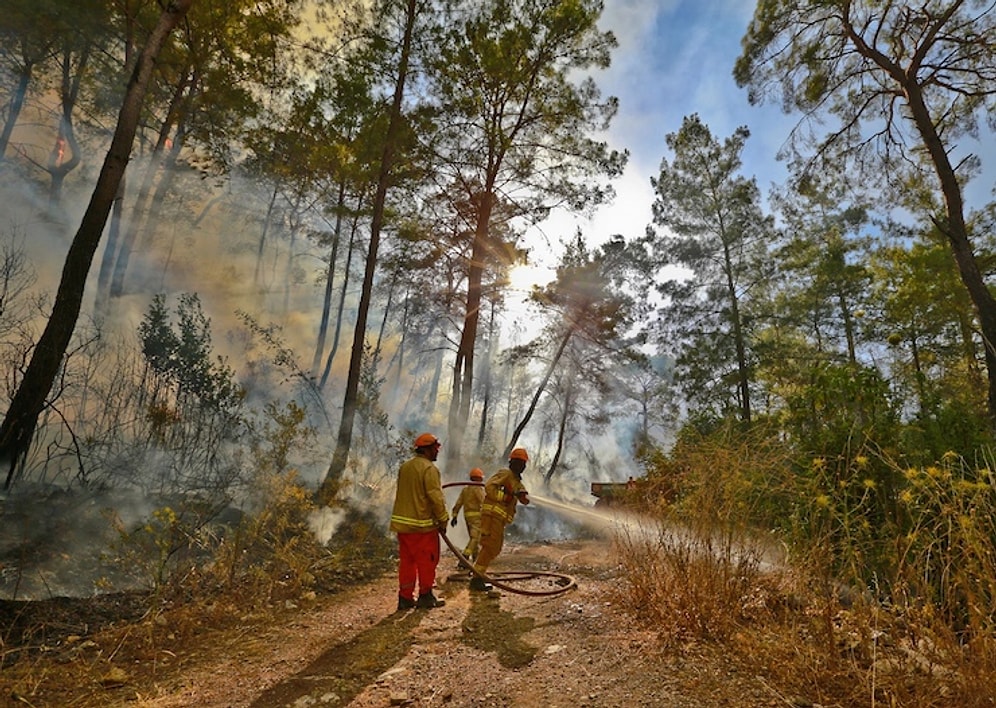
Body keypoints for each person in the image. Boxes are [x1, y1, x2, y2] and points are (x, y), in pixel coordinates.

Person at [390, 433, 449, 610]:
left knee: (407, 562)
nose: (437, 452)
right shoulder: (429, 469)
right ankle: (425, 596)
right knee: (427, 561)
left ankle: (405, 598)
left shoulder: (405, 467)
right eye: (435, 448)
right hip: (422, 527)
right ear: (427, 449)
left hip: (403, 527)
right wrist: (443, 519)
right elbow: (435, 498)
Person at [470, 448, 530, 592]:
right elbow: (489, 487)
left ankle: (478, 576)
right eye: (519, 462)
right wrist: (505, 497)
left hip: (498, 519)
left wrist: (522, 496)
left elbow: (524, 500)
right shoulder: (505, 473)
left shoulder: (516, 480)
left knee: (494, 548)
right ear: (512, 462)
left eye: (524, 463)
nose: (522, 466)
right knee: (490, 546)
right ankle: (476, 578)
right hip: (491, 516)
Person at [450, 467, 485, 565]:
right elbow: (483, 502)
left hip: (467, 517)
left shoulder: (465, 489)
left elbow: (458, 503)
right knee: (475, 538)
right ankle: (464, 559)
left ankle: (476, 562)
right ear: (479, 478)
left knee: (474, 539)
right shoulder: (478, 488)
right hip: (477, 518)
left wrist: (454, 516)